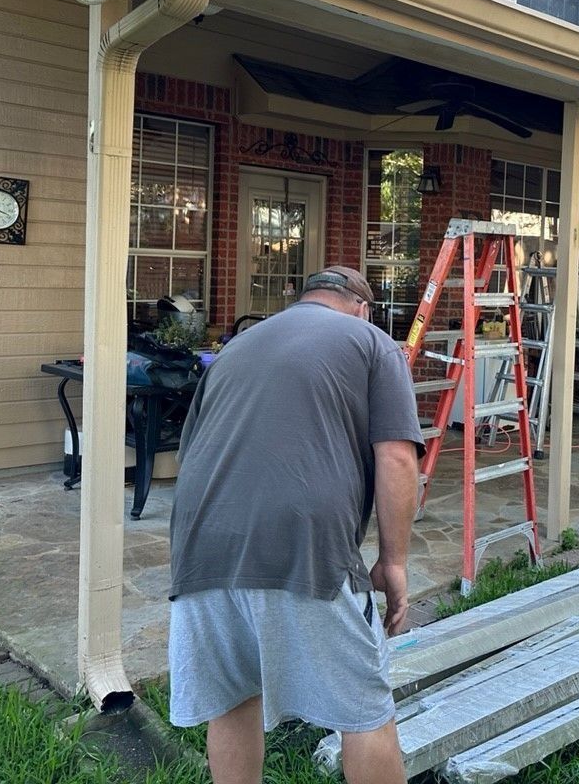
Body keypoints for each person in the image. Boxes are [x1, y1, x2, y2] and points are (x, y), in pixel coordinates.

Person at [167, 265, 423, 784]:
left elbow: (191, 451)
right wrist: (393, 561)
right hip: (303, 545)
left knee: (232, 697)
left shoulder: (235, 346)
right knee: (364, 709)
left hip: (199, 543)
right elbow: (398, 459)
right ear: (361, 306)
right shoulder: (372, 342)